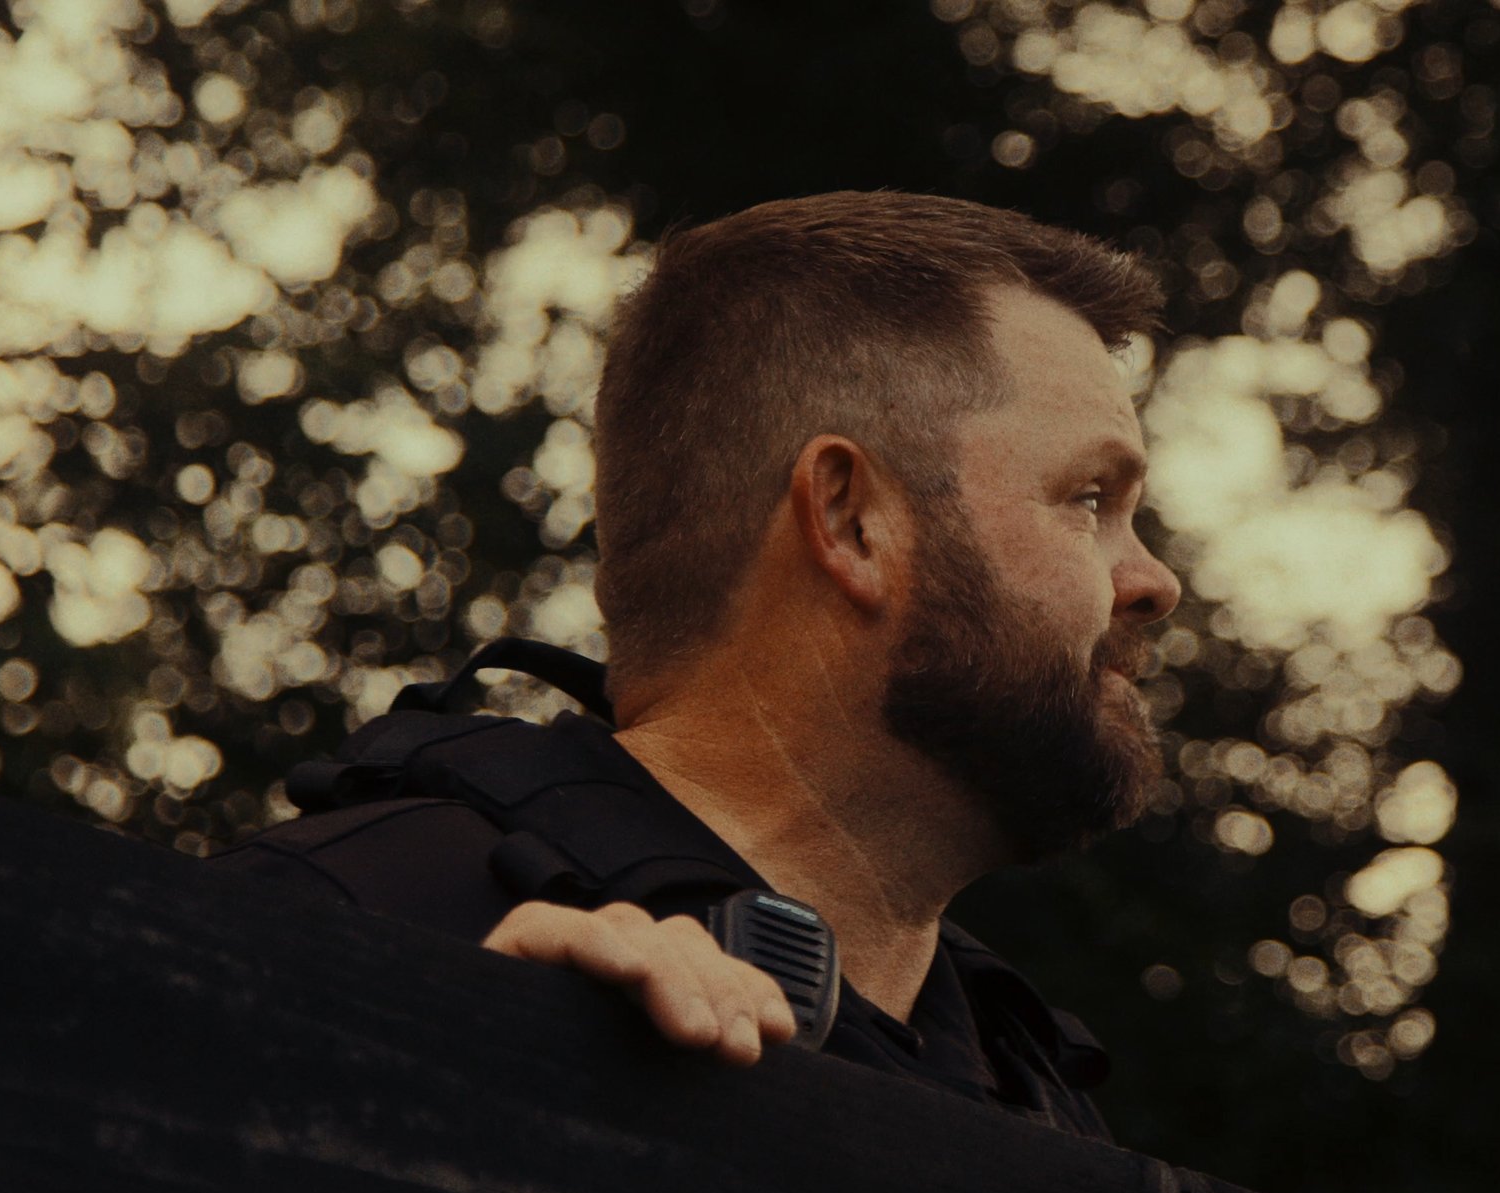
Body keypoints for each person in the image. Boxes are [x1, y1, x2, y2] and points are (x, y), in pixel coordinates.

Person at [211, 191, 1182, 1140]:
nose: (1154, 582)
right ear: (851, 520)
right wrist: (441, 1093)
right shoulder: (343, 930)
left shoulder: (1041, 1102)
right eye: (1090, 498)